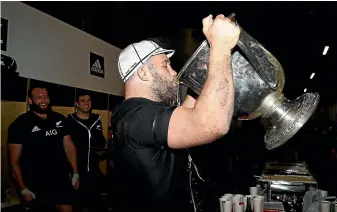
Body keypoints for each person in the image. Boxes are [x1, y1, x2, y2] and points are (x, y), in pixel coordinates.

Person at [110, 14, 240, 212]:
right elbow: (212, 123)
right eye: (165, 65)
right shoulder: (135, 117)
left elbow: (189, 114)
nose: (173, 73)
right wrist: (221, 47)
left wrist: (205, 65)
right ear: (143, 73)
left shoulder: (142, 113)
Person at [8, 85, 79, 212]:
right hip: (36, 183)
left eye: (46, 97)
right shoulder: (20, 124)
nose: (43, 100)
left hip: (60, 180)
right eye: (38, 97)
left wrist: (75, 173)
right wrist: (23, 188)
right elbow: (13, 160)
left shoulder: (59, 119)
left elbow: (69, 147)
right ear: (30, 100)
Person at [66, 91, 107, 212]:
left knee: (96, 203)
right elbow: (66, 147)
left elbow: (100, 141)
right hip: (76, 171)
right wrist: (73, 172)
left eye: (88, 100)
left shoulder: (96, 118)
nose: (86, 103)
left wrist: (102, 150)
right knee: (78, 204)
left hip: (93, 170)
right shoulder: (70, 120)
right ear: (76, 104)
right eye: (83, 101)